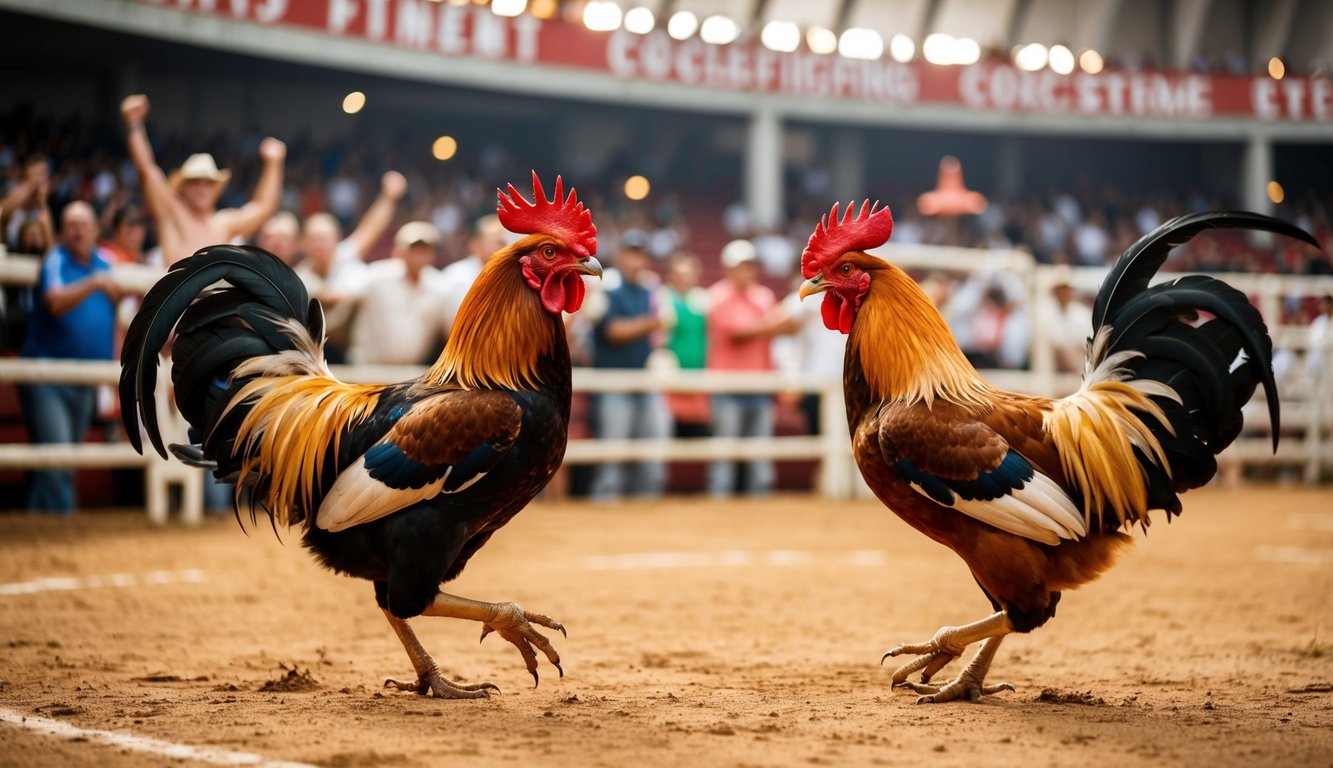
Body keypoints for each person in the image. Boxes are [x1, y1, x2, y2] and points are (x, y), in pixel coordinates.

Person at [18, 202, 121, 514]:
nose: (78, 230)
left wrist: (106, 285)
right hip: (48, 374)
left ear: (95, 229)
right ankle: (65, 526)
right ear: (63, 231)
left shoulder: (106, 263)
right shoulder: (56, 259)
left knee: (61, 461)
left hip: (86, 377)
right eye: (72, 224)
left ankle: (37, 527)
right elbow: (53, 302)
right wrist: (94, 283)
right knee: (59, 459)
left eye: (84, 223)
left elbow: (120, 297)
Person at [121, 93, 286, 266]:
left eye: (208, 183)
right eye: (194, 182)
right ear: (183, 187)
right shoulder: (172, 211)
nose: (202, 188)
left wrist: (274, 164)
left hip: (213, 293)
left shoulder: (224, 223)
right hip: (178, 292)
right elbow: (147, 170)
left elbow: (263, 208)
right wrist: (134, 124)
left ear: (216, 188)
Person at [293, 171, 406, 361]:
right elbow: (325, 296)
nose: (320, 244)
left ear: (336, 238)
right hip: (313, 355)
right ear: (304, 243)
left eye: (325, 238)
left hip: (355, 350)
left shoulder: (346, 255)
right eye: (315, 239)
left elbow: (371, 227)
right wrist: (346, 296)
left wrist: (388, 197)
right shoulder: (299, 276)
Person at [588, 244, 670, 502]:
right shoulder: (608, 288)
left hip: (643, 381)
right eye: (631, 253)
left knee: (650, 455)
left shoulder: (649, 290)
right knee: (613, 457)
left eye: (640, 254)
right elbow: (614, 332)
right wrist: (651, 322)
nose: (636, 260)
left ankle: (647, 510)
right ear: (621, 255)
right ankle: (606, 508)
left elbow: (660, 330)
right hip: (614, 384)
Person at [705, 239, 785, 498]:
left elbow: (761, 335)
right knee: (725, 453)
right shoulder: (717, 296)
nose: (746, 271)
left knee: (759, 454)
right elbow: (737, 333)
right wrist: (778, 324)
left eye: (750, 265)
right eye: (741, 266)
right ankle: (720, 498)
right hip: (727, 385)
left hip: (759, 384)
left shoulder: (763, 296)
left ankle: (759, 501)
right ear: (728, 268)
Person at [346, 221, 450, 366]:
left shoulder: (439, 286)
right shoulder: (376, 277)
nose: (420, 254)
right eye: (414, 248)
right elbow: (344, 297)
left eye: (426, 249)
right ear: (399, 251)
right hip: (367, 369)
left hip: (409, 373)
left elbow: (451, 330)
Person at [660, 251, 710, 438]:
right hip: (668, 382)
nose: (684, 278)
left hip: (697, 380)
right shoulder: (661, 298)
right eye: (679, 273)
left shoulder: (703, 300)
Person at [439, 215, 507, 339]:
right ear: (476, 244)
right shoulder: (455, 276)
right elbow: (447, 325)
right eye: (499, 242)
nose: (505, 247)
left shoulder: (515, 276)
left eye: (506, 242)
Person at [1036, 267, 1092, 373]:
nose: (1064, 292)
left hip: (1077, 360)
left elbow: (1086, 344)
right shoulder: (1044, 310)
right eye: (1061, 288)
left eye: (1066, 288)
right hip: (1053, 364)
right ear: (1054, 290)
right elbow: (1056, 344)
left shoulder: (1081, 313)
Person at [1, 153, 53, 252]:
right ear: (26, 174)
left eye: (44, 174)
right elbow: (2, 212)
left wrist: (42, 202)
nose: (40, 179)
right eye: (37, 174)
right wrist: (29, 187)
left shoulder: (47, 202)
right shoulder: (14, 193)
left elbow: (50, 244)